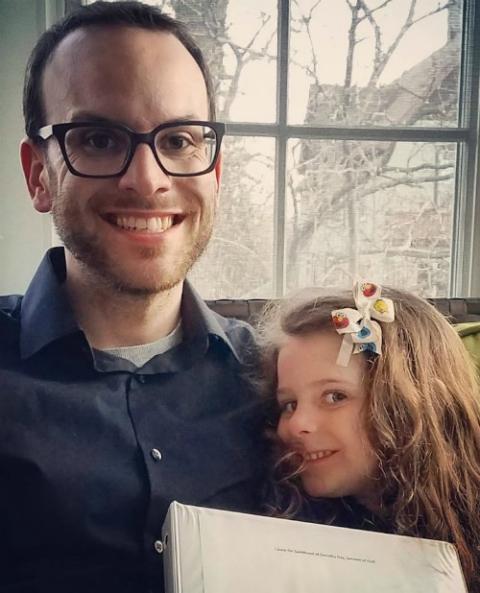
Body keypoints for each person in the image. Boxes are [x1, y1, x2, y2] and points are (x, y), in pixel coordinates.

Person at [0, 2, 265, 592]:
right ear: (38, 175)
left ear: (214, 172)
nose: (147, 180)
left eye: (179, 139)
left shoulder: (282, 386)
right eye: (97, 138)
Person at [257, 281, 480, 592]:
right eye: (289, 404)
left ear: (410, 403)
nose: (297, 425)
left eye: (335, 397)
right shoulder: (297, 525)